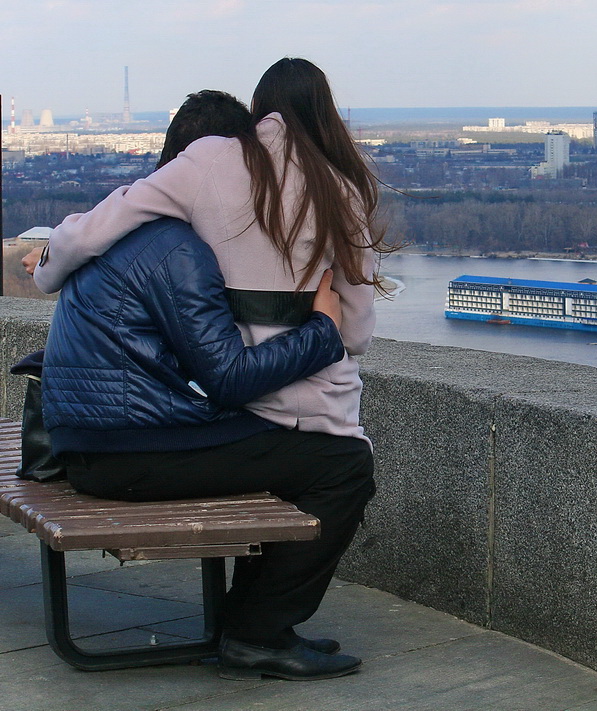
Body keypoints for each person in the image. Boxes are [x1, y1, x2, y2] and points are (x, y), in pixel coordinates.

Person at [33, 85, 380, 680]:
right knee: (341, 464)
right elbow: (226, 379)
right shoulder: (176, 251)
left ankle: (254, 622)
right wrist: (323, 329)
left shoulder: (132, 233)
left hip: (93, 441)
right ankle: (256, 633)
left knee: (278, 446)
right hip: (120, 456)